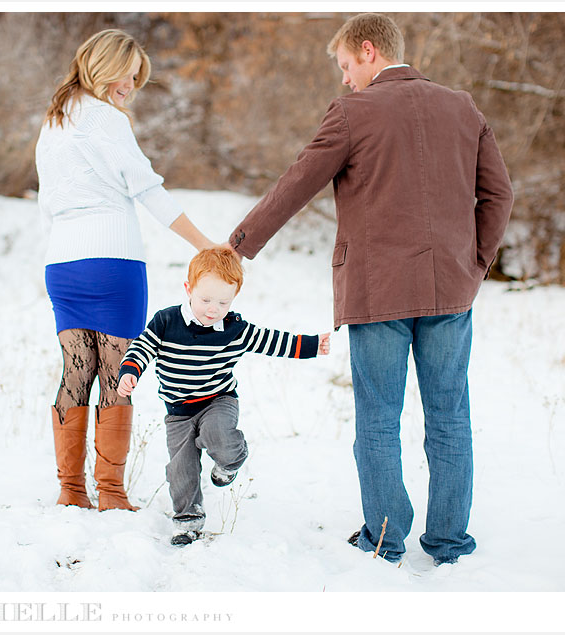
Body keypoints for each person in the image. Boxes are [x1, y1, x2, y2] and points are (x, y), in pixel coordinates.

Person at [226, 13, 513, 565]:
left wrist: (237, 245)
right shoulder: (463, 106)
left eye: (345, 67)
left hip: (378, 292)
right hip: (452, 291)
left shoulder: (353, 113)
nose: (344, 80)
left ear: (368, 50)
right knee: (450, 416)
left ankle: (384, 541)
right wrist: (475, 263)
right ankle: (450, 543)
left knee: (378, 417)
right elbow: (498, 195)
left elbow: (296, 183)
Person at [35, 29, 214, 512]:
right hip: (113, 261)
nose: (130, 86)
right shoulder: (104, 119)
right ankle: (111, 494)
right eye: (126, 75)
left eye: (137, 79)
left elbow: (46, 203)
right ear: (101, 66)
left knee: (76, 370)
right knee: (118, 376)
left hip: (63, 264)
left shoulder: (54, 121)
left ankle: (71, 491)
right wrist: (205, 246)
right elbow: (148, 189)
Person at [117, 247, 331, 545]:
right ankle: (187, 520)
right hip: (178, 411)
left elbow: (272, 341)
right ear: (188, 289)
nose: (213, 309)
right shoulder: (166, 322)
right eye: (205, 300)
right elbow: (143, 347)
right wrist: (130, 371)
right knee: (181, 468)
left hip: (218, 400)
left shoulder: (235, 330)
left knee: (218, 433)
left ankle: (230, 461)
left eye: (223, 302)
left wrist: (310, 345)